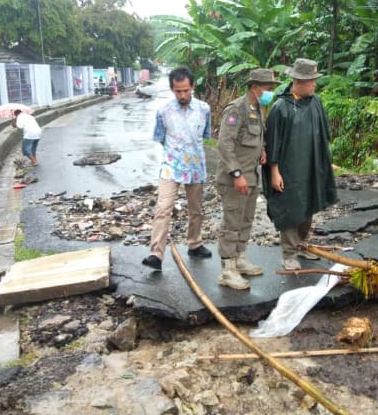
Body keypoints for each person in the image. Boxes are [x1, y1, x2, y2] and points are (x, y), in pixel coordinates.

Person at [263, 57, 337, 270]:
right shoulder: (281, 108)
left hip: (311, 164)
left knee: (309, 203)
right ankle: (289, 253)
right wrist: (274, 171)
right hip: (289, 168)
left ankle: (303, 244)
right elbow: (273, 142)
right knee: (290, 208)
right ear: (298, 81)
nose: (314, 84)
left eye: (314, 80)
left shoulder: (315, 102)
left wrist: (325, 161)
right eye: (311, 80)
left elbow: (323, 134)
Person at [142, 66, 212, 271]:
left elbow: (205, 135)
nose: (182, 95)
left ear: (192, 87)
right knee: (163, 208)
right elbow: (160, 138)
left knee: (196, 209)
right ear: (172, 89)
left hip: (196, 166)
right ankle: (156, 254)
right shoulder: (163, 111)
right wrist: (175, 153)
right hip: (171, 167)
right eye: (178, 91)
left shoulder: (204, 109)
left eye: (186, 90)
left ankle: (195, 244)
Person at [215, 67, 278, 289]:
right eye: (268, 88)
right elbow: (225, 144)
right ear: (255, 88)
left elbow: (254, 137)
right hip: (235, 179)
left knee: (246, 220)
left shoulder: (258, 108)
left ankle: (239, 259)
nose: (270, 92)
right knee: (232, 223)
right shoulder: (236, 109)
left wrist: (262, 150)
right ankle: (227, 270)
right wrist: (237, 174)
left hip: (251, 176)